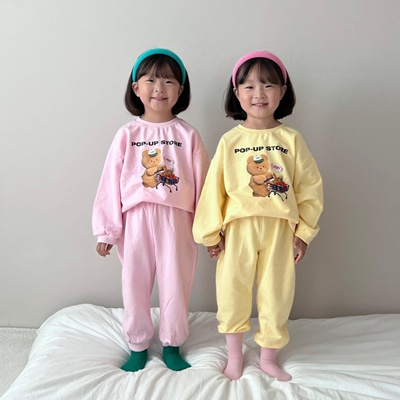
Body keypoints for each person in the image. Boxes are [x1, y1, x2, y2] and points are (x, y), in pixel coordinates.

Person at [192, 50, 323, 381]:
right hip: (238, 230)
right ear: (237, 93)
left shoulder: (291, 140)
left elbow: (310, 189)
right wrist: (210, 234)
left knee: (277, 292)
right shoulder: (230, 141)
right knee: (231, 290)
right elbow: (213, 190)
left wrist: (304, 233)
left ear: (282, 91)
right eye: (249, 86)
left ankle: (268, 357)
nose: (259, 94)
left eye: (268, 85)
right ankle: (234, 356)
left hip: (280, 229)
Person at [92, 48, 209, 373]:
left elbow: (204, 183)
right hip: (136, 219)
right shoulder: (128, 134)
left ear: (180, 90)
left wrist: (209, 229)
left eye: (169, 81)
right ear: (136, 88)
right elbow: (110, 182)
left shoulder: (187, 135)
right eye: (151, 80)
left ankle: (172, 343)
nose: (159, 88)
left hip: (177, 218)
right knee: (135, 283)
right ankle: (138, 344)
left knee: (176, 283)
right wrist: (107, 229)